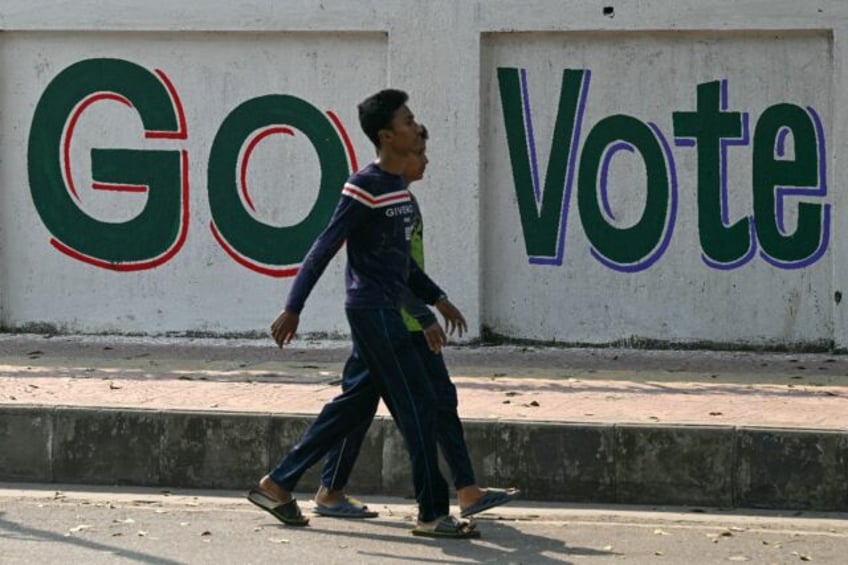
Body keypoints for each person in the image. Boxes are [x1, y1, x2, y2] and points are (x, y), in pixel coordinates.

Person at [247, 89, 479, 539]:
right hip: (374, 312)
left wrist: (437, 298)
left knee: (353, 406)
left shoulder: (396, 190)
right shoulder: (364, 186)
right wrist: (293, 306)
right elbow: (324, 246)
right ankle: (432, 514)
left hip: (384, 310)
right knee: (418, 408)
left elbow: (401, 264)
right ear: (388, 136)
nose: (417, 129)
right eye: (409, 122)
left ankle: (278, 483)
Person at [314, 126, 520, 520]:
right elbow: (389, 272)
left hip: (408, 324)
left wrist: (436, 301)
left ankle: (467, 490)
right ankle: (324, 489)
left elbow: (407, 267)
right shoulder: (380, 201)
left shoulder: (402, 200)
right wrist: (427, 312)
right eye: (418, 151)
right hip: (390, 325)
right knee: (360, 408)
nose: (425, 159)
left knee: (441, 401)